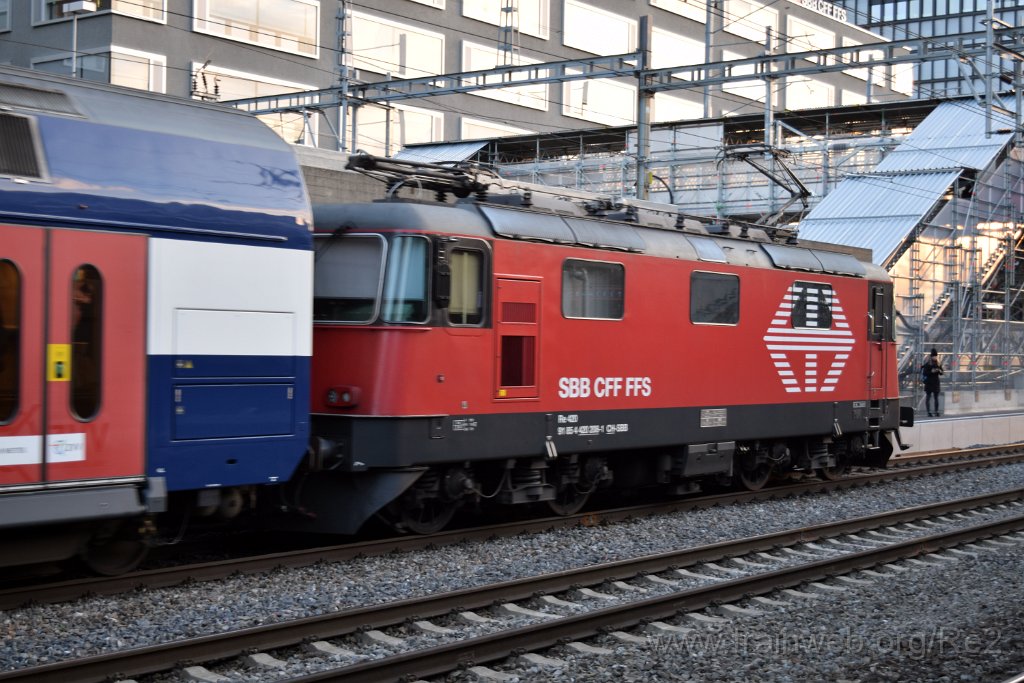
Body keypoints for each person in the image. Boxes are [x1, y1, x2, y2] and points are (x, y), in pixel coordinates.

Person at [922, 348, 944, 417]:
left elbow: (942, 372)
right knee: (928, 397)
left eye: (936, 356)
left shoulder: (938, 363)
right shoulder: (928, 364)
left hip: (936, 382)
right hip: (929, 382)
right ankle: (928, 412)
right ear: (931, 356)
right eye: (934, 356)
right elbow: (925, 373)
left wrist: (939, 371)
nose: (935, 357)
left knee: (936, 397)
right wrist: (932, 371)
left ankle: (936, 411)